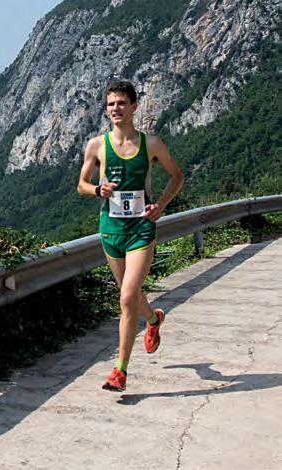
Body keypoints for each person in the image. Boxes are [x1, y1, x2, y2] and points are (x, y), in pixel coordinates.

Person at [77, 81, 184, 392]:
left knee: (126, 297)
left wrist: (160, 206)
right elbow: (81, 184)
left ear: (134, 107)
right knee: (132, 296)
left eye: (122, 103)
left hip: (140, 229)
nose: (115, 108)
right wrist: (97, 189)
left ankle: (120, 371)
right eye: (111, 104)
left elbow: (177, 177)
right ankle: (153, 319)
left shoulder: (151, 145)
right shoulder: (96, 146)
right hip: (110, 229)